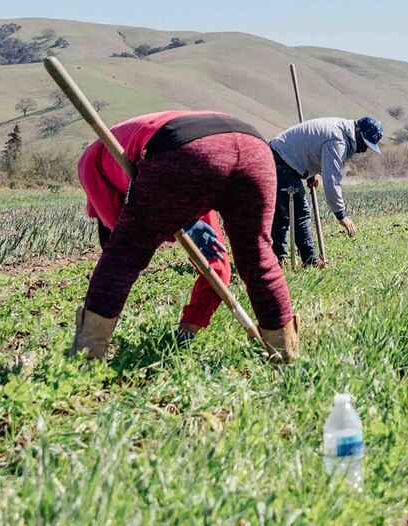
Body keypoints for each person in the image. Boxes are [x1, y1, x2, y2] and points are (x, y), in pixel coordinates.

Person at [70, 109, 299, 361]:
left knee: (124, 255)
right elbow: (217, 264)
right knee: (258, 257)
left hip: (187, 150)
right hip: (254, 147)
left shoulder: (92, 159)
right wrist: (184, 222)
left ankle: (86, 357)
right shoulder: (140, 138)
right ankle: (285, 355)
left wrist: (177, 223)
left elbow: (119, 235)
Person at [268, 114, 381, 267]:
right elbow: (332, 180)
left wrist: (311, 173)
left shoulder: (341, 130)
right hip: (280, 161)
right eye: (366, 144)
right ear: (359, 135)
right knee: (299, 213)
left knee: (284, 214)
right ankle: (309, 261)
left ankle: (278, 259)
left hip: (281, 157)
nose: (365, 149)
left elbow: (312, 150)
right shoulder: (337, 140)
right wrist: (341, 214)